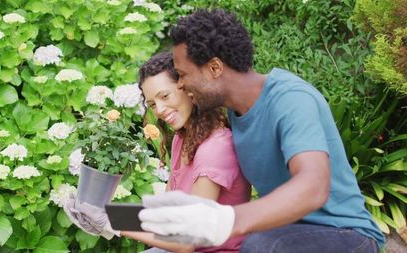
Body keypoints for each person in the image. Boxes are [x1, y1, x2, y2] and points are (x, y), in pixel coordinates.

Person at [138, 9, 385, 253]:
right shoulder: (235, 114)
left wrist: (225, 219)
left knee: (262, 245)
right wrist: (118, 219)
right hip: (289, 234)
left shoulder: (290, 100)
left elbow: (314, 186)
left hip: (347, 236)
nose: (180, 84)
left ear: (214, 69)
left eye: (182, 75)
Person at [64, 52, 251, 252]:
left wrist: (112, 222)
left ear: (188, 88)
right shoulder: (183, 138)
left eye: (165, 96)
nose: (160, 110)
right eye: (152, 104)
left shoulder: (215, 148)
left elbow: (187, 242)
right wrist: (104, 214)